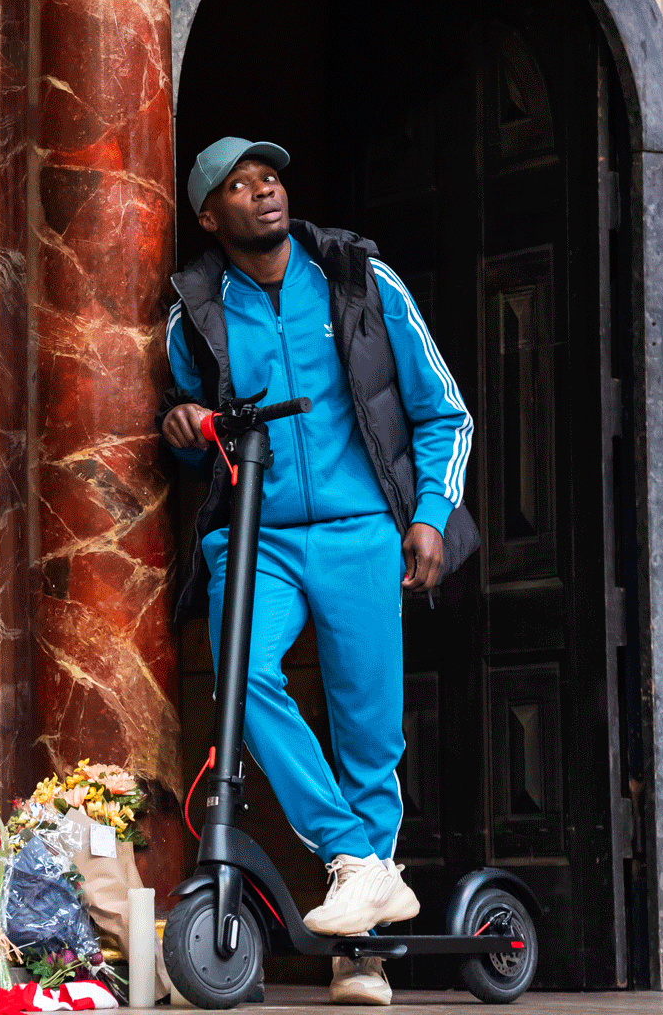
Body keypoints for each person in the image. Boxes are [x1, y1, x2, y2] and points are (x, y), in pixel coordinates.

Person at [159, 137, 477, 1006]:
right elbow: (194, 437)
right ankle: (353, 859)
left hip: (362, 533)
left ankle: (361, 955)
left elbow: (444, 411)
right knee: (244, 677)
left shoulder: (360, 281)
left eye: (271, 178)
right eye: (239, 184)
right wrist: (186, 425)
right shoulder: (195, 311)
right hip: (254, 536)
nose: (264, 192)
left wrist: (427, 519)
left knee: (370, 734)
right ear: (209, 214)